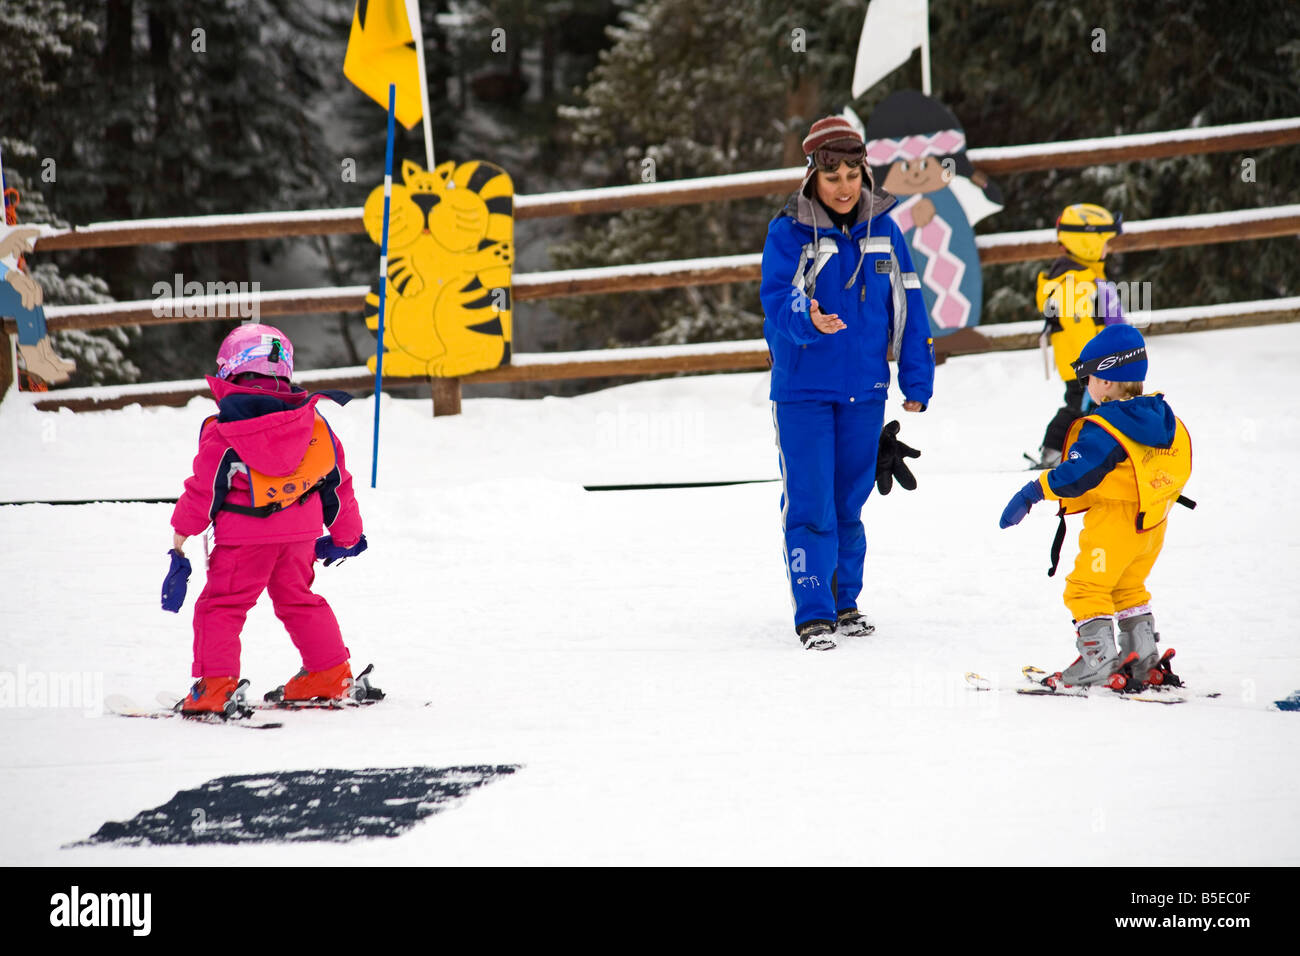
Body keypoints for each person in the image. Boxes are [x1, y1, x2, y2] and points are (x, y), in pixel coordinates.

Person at [760, 115, 935, 651]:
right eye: (831, 176)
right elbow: (776, 301)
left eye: (852, 175)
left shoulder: (885, 230)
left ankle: (844, 600)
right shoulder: (788, 231)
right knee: (810, 501)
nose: (843, 187)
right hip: (803, 392)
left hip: (865, 390)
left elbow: (908, 303)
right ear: (812, 174)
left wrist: (915, 376)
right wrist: (807, 320)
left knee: (849, 501)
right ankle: (813, 610)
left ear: (865, 175)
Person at [169, 323, 370, 716]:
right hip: (300, 536)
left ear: (229, 371)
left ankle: (214, 687)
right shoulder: (314, 424)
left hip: (243, 540)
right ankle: (329, 673)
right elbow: (337, 483)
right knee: (300, 600)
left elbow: (204, 489)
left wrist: (182, 532)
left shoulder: (224, 431)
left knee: (222, 606)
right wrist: (347, 535)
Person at [999, 324, 1192, 689]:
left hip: (1115, 522)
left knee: (1086, 588)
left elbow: (1076, 474)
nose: (1086, 386)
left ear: (1105, 381)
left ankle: (1098, 661)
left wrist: (1032, 490)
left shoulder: (1107, 426)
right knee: (1128, 586)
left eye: (1088, 377)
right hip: (1151, 523)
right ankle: (1143, 658)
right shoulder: (1162, 418)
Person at [1032, 203, 1126, 468]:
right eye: (1106, 241)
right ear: (1088, 243)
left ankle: (1090, 451)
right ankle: (1053, 452)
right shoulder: (1073, 282)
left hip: (1096, 364)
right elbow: (1079, 328)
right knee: (1080, 406)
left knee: (1093, 407)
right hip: (1086, 366)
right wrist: (1094, 366)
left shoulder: (1088, 278)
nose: (1109, 248)